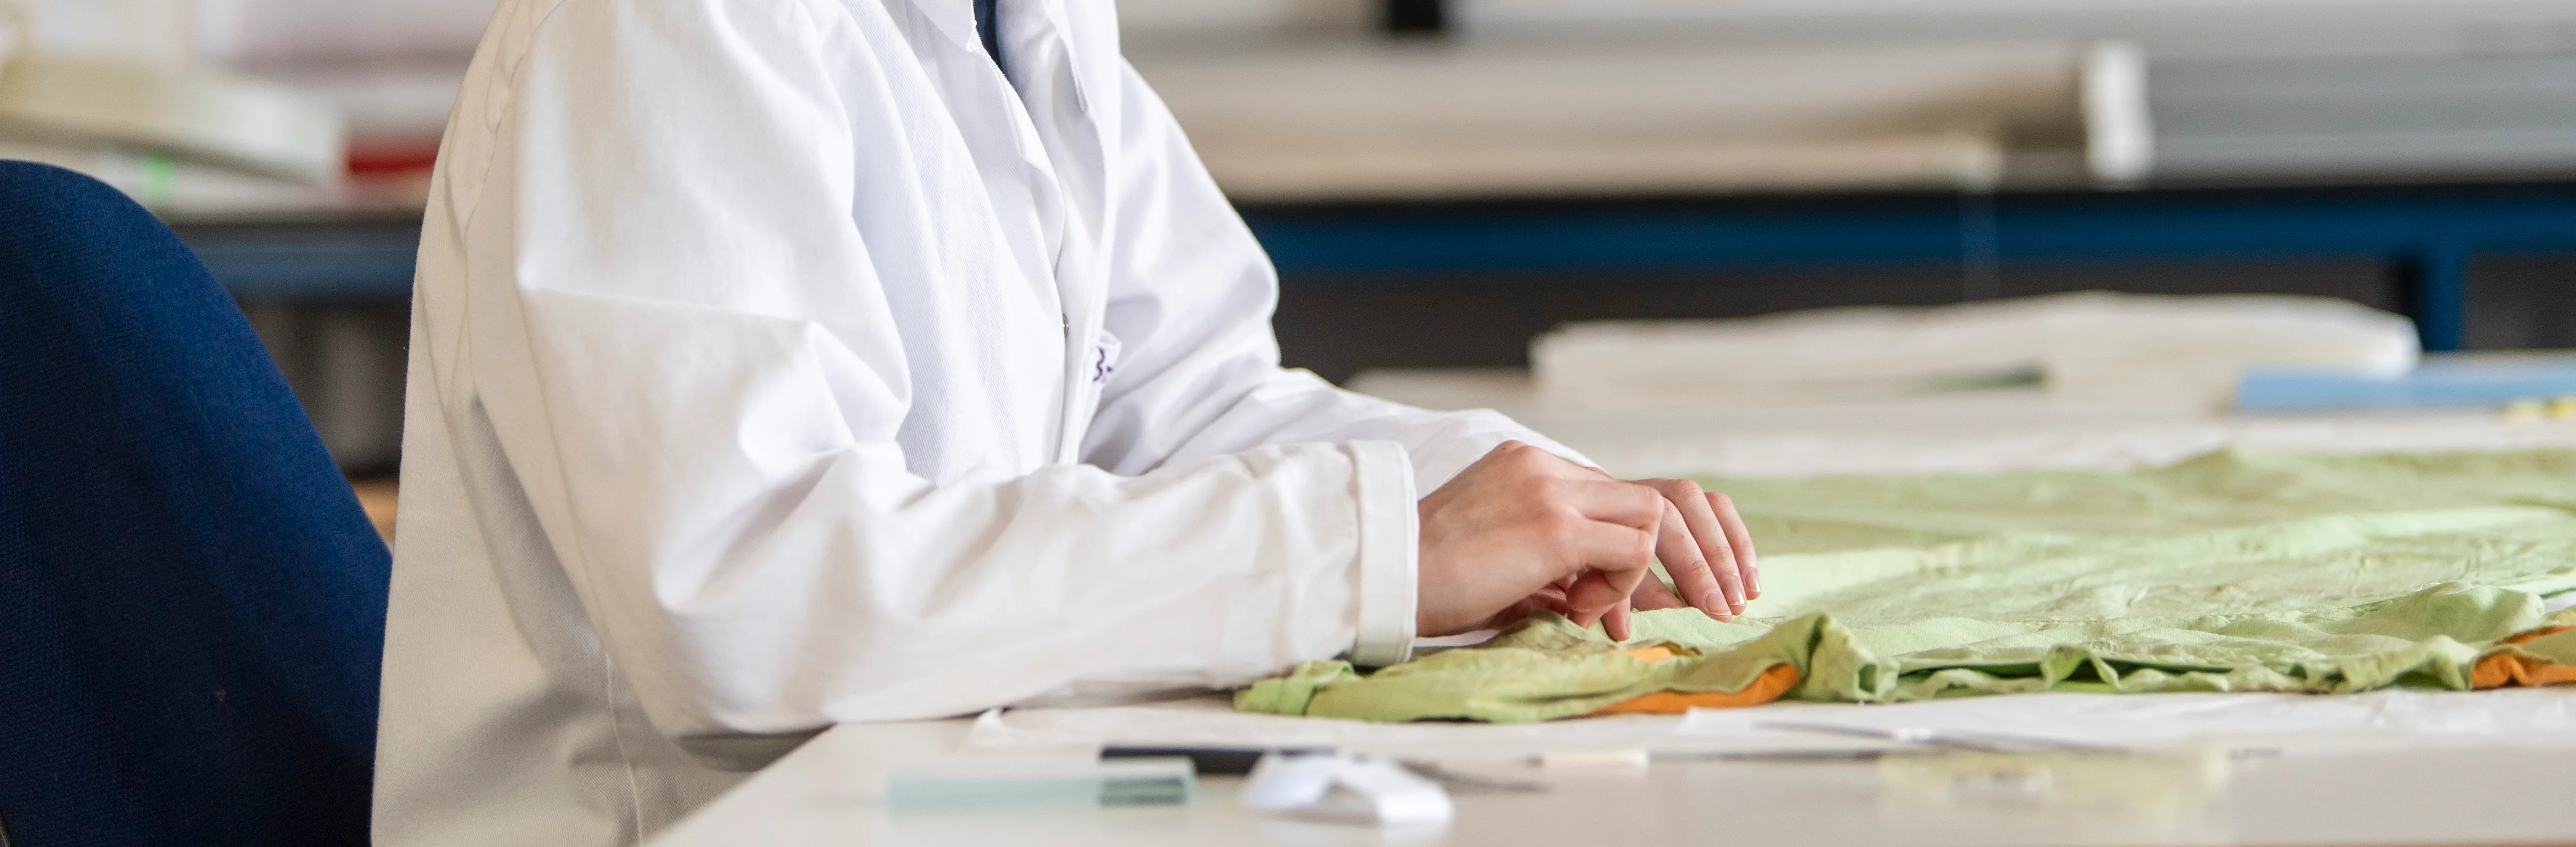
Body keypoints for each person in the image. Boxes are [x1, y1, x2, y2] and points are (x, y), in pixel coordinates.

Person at [373, 0, 1756, 843]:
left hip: (941, 791)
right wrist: (1380, 546)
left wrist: (1521, 496)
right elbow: (745, 589)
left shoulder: (1021, 17)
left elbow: (1186, 401)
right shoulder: (672, 23)